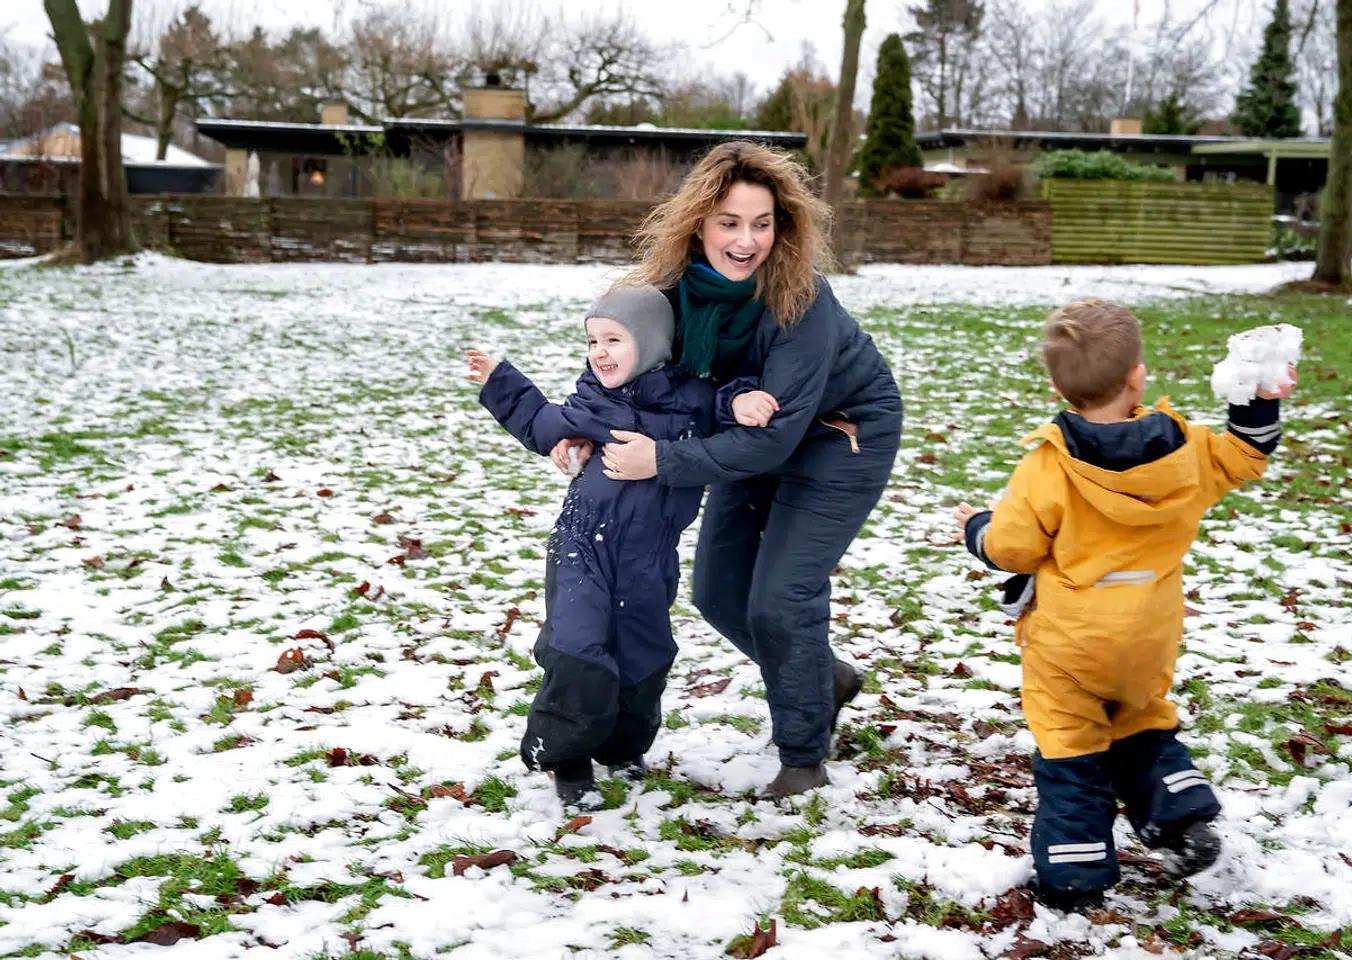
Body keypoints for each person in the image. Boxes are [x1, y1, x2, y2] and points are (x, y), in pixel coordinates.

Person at [564, 141, 905, 800]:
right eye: (730, 222)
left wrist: (660, 460)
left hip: (839, 436)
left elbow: (774, 441)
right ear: (700, 223)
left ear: (784, 227)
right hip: (740, 433)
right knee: (718, 594)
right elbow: (621, 359)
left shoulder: (800, 300)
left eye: (762, 223)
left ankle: (803, 756)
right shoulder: (667, 292)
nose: (747, 240)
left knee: (780, 598)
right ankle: (822, 678)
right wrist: (583, 425)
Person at [954, 298, 1297, 912]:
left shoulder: (1048, 465)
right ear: (1137, 375)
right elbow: (1246, 454)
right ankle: (1182, 823)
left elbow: (1013, 547)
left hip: (1069, 641)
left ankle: (1074, 877)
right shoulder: (1184, 449)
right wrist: (1261, 399)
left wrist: (977, 527)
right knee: (1139, 718)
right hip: (1150, 632)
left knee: (1071, 746)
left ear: (1057, 384)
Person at [465, 285, 772, 812]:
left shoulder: (695, 401)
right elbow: (541, 424)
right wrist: (501, 382)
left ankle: (622, 746)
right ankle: (566, 755)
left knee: (644, 654)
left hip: (651, 555)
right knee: (578, 648)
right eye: (591, 340)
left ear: (652, 343)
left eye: (613, 339)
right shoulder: (594, 401)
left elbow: (724, 410)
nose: (599, 352)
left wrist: (742, 398)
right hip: (583, 543)